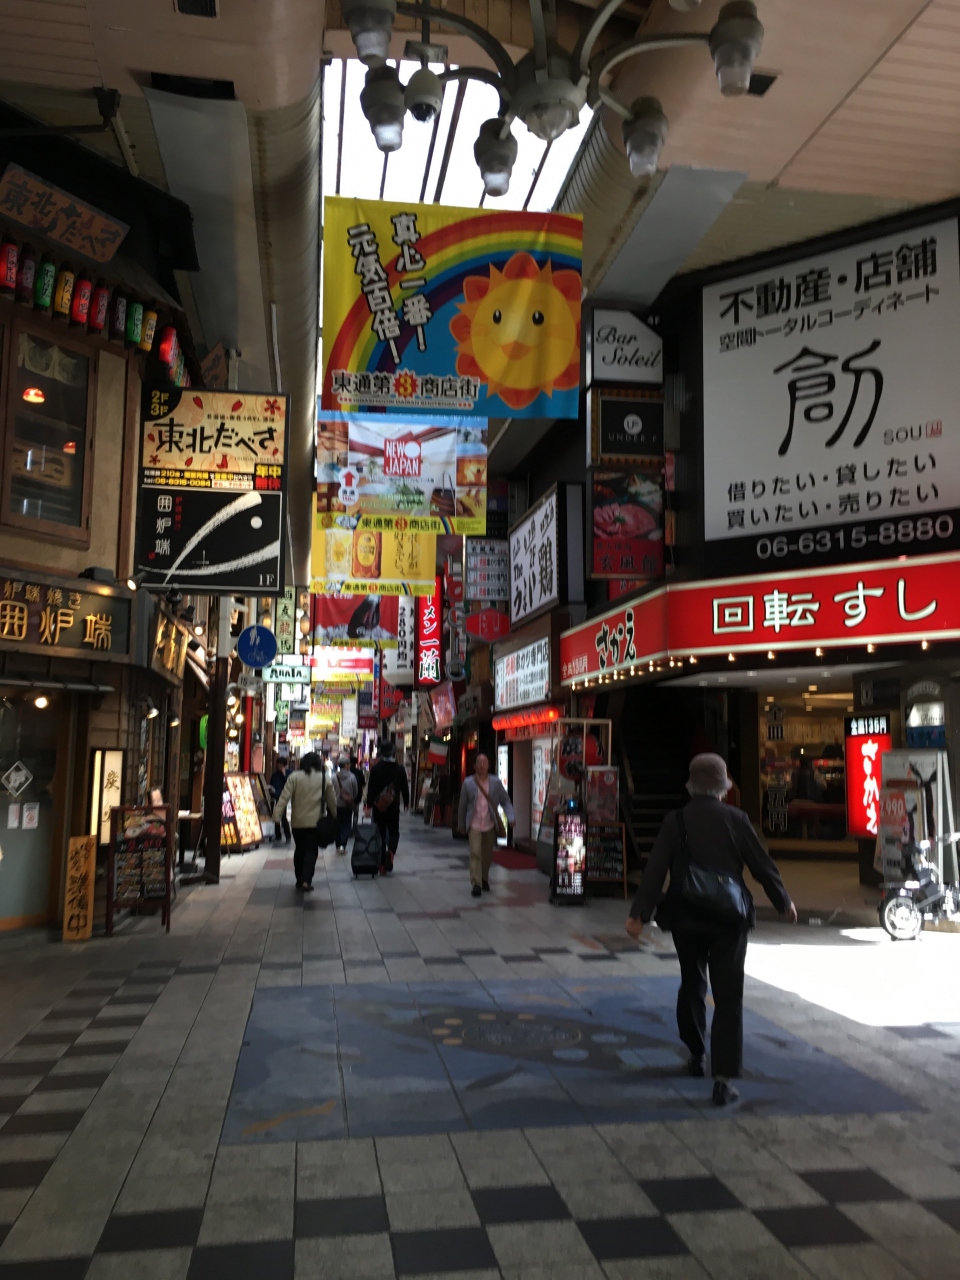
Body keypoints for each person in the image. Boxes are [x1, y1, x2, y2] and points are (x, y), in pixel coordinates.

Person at [625, 753, 798, 1107]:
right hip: (728, 920)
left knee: (692, 982)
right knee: (728, 995)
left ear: (691, 785)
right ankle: (723, 1080)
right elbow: (761, 865)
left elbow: (655, 869)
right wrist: (782, 901)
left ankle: (695, 1053)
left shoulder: (676, 820)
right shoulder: (736, 819)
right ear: (723, 786)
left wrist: (638, 915)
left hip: (686, 917)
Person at [272, 752, 336, 892]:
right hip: (315, 823)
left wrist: (276, 816)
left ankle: (299, 879)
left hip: (297, 822)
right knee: (311, 851)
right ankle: (306, 879)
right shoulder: (324, 778)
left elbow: (284, 797)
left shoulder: (294, 777)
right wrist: (335, 815)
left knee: (300, 849)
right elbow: (331, 800)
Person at [458, 753, 514, 899]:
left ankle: (484, 878)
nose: (482, 765)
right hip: (474, 823)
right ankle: (476, 883)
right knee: (475, 852)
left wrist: (511, 817)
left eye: (484, 762)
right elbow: (462, 806)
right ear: (474, 766)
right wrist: (461, 824)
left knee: (487, 854)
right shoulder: (468, 783)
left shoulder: (496, 783)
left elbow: (505, 801)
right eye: (479, 762)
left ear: (489, 765)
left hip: (489, 823)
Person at [367, 738, 409, 873]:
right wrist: (406, 802)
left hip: (379, 806)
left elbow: (371, 788)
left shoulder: (376, 769)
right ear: (393, 753)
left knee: (380, 833)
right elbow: (404, 787)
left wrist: (368, 804)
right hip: (393, 805)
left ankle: (381, 864)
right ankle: (391, 851)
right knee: (394, 831)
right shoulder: (399, 769)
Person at [334, 753, 358, 856]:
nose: (350, 766)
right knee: (346, 825)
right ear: (346, 765)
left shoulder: (334, 777)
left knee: (337, 825)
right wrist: (351, 798)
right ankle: (343, 846)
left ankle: (338, 845)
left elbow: (331, 791)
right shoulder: (352, 777)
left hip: (336, 805)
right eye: (348, 764)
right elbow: (355, 791)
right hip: (347, 805)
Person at [270, 760, 291, 844]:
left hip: (283, 798)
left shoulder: (288, 773)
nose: (278, 766)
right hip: (274, 797)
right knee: (275, 816)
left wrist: (284, 774)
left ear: (284, 765)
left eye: (280, 765)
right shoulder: (274, 775)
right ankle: (278, 835)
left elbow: (288, 784)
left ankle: (288, 836)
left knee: (283, 817)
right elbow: (271, 784)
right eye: (277, 764)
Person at [350, 751, 365, 834]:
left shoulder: (348, 772)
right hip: (357, 796)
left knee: (348, 813)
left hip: (348, 796)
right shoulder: (359, 772)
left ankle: (348, 829)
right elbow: (363, 783)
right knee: (355, 813)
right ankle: (355, 828)